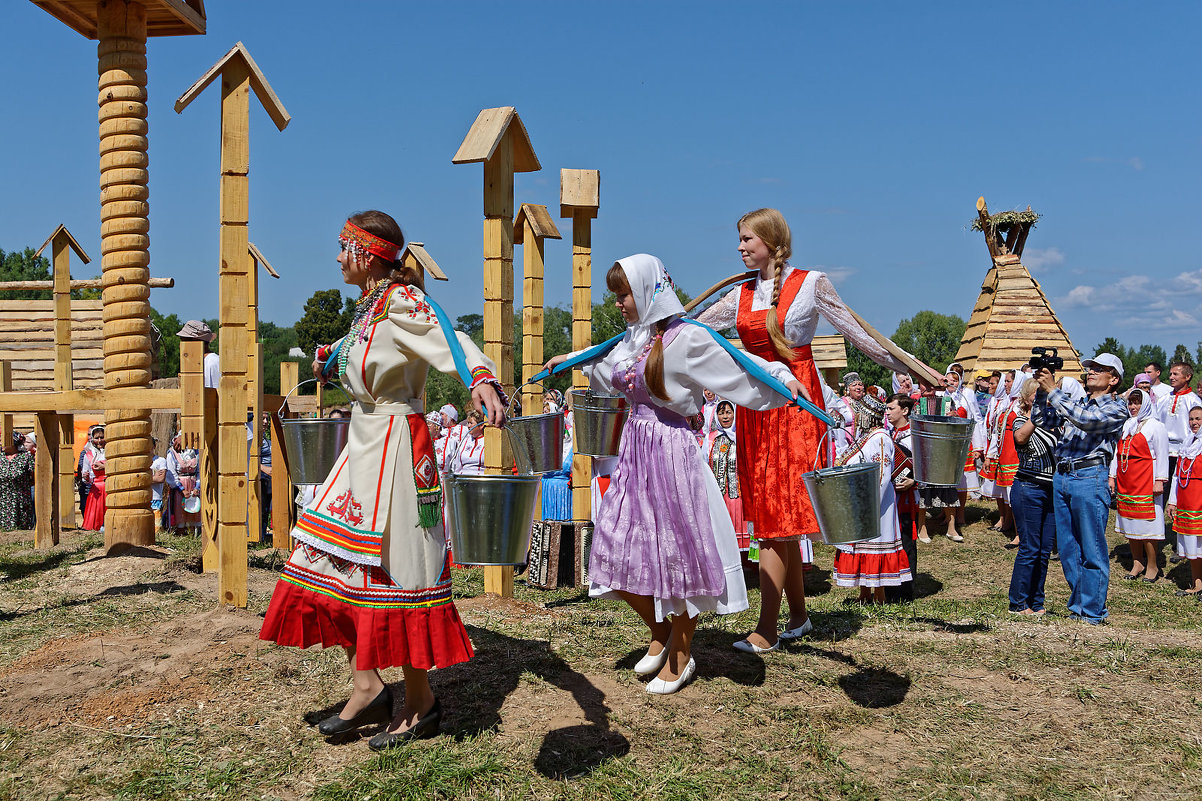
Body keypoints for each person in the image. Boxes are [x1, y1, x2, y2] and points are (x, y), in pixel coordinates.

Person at [260, 210, 507, 749]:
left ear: (368, 255)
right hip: (361, 448)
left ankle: (421, 702)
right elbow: (366, 363)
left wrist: (479, 378)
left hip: (398, 448)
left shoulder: (404, 302)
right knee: (326, 564)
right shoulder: (369, 311)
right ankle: (368, 684)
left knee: (399, 573)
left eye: (344, 246)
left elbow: (450, 335)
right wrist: (331, 361)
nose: (337, 256)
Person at [545, 253, 808, 692]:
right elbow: (605, 364)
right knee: (612, 548)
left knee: (675, 556)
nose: (618, 304)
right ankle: (662, 631)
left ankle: (682, 654)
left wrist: (781, 376)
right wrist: (570, 359)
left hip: (672, 455)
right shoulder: (632, 339)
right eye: (616, 295)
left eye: (624, 294)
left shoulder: (687, 339)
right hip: (633, 453)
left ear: (647, 292)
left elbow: (737, 366)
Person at [695, 208, 919, 653]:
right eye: (739, 240)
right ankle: (798, 616)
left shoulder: (811, 283)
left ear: (772, 242)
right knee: (773, 521)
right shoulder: (739, 294)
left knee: (778, 525)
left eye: (747, 239)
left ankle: (767, 628)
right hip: (756, 411)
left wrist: (909, 366)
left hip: (796, 411)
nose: (740, 247)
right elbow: (694, 329)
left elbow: (859, 335)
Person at [1033, 352, 1128, 624]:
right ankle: (1079, 606)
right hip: (1064, 475)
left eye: (1100, 369)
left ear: (1114, 379)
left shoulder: (1116, 407)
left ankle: (1093, 611)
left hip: (1089, 476)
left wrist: (1053, 390)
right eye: (1091, 368)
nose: (1092, 371)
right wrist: (1042, 391)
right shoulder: (1077, 402)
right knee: (1068, 548)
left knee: (1092, 547)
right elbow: (1044, 421)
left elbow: (1087, 420)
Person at [832, 395, 911, 603]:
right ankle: (865, 592)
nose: (856, 417)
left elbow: (883, 475)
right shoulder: (865, 437)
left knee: (876, 542)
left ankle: (880, 594)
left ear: (867, 416)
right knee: (862, 544)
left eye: (859, 413)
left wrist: (869, 502)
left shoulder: (881, 438)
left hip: (877, 503)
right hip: (861, 499)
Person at [1008, 378, 1060, 615]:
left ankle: (1036, 603)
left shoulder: (1055, 422)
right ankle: (1018, 603)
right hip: (1028, 488)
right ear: (1028, 398)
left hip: (1051, 490)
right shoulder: (1021, 419)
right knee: (1029, 547)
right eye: (1038, 395)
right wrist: (1037, 413)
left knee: (1043, 549)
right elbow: (1020, 439)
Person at [1110, 388, 1169, 582]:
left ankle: (1152, 565)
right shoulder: (1127, 424)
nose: (1133, 407)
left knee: (1147, 525)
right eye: (1131, 403)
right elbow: (1117, 453)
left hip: (1146, 479)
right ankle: (1138, 562)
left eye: (1137, 403)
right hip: (1127, 479)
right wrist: (1112, 476)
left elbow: (1162, 454)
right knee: (1130, 521)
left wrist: (1159, 480)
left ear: (1145, 404)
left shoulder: (1155, 426)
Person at [885, 394, 918, 602]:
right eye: (886, 409)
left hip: (907, 499)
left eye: (891, 408)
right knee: (890, 542)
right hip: (889, 497)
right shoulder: (887, 433)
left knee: (906, 543)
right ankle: (889, 587)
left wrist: (914, 482)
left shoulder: (915, 435)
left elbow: (928, 465)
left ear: (904, 411)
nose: (887, 412)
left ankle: (906, 591)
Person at [1166, 407, 1202, 598]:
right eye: (1191, 419)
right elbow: (1177, 476)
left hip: (1200, 500)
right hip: (1187, 500)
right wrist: (1172, 501)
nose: (1194, 422)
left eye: (1198, 419)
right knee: (1193, 546)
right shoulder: (1187, 443)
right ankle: (1197, 584)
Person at [704, 400, 746, 550]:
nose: (725, 416)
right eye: (721, 413)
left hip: (740, 496)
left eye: (728, 412)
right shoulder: (710, 440)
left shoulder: (742, 437)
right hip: (719, 497)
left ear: (735, 414)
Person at [165, 432, 201, 533]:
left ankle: (194, 533)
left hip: (193, 485)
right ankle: (180, 531)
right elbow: (171, 473)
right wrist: (182, 489)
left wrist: (197, 487)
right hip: (180, 488)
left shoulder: (196, 452)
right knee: (179, 510)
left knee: (194, 509)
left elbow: (199, 471)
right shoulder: (172, 453)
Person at [0, 433, 35, 530]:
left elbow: (33, 478)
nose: (1, 443)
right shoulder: (1, 457)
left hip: (20, 500)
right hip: (2, 500)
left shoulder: (26, 457)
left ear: (13, 443)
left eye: (3, 441)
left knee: (20, 529)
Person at [177, 320, 219, 389]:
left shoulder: (213, 363)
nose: (180, 346)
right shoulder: (199, 363)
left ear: (196, 341)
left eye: (183, 340)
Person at [81, 426, 107, 532]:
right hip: (96, 488)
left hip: (109, 486)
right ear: (92, 439)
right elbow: (86, 477)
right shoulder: (89, 455)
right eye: (97, 438)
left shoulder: (111, 453)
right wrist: (86, 477)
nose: (100, 440)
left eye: (102, 437)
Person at [449, 409, 486, 475]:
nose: (468, 426)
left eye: (471, 423)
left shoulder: (487, 442)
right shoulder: (464, 441)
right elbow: (458, 464)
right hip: (463, 479)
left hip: (480, 479)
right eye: (468, 423)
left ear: (481, 425)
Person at [150, 439, 167, 530]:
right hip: (142, 499)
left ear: (154, 446)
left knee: (156, 529)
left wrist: (144, 478)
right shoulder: (139, 462)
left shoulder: (160, 460)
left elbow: (160, 478)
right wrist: (153, 477)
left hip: (155, 499)